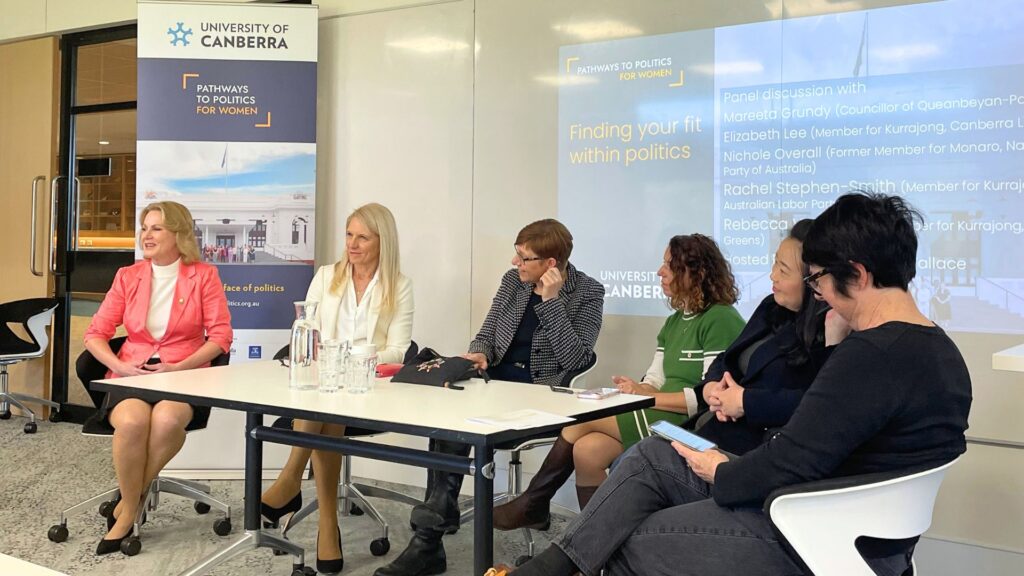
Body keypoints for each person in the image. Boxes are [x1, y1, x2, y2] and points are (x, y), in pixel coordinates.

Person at [492, 192, 972, 576]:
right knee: (655, 458)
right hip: (832, 513)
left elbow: (793, 460)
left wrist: (721, 470)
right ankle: (553, 567)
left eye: (820, 278)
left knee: (630, 539)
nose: (819, 291)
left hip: (812, 527)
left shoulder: (868, 357)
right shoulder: (936, 351)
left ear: (859, 275)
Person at [375, 219, 604, 576]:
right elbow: (486, 332)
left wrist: (551, 302)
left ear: (551, 264)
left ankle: (429, 536)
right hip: (493, 384)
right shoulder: (512, 281)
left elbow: (576, 359)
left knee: (459, 423)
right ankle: (435, 523)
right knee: (446, 413)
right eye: (517, 253)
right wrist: (479, 353)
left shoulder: (588, 292)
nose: (516, 263)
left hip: (540, 396)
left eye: (525, 258)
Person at [493, 233, 746, 531]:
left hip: (689, 426)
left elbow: (707, 398)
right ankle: (597, 545)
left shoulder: (721, 319)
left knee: (579, 421)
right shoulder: (676, 321)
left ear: (696, 272)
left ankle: (534, 502)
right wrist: (636, 389)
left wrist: (648, 398)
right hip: (662, 412)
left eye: (668, 265)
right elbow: (655, 379)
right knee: (587, 451)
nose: (659, 272)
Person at [259, 202, 413, 575]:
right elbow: (308, 329)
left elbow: (399, 349)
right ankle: (328, 525)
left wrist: (345, 356)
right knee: (324, 407)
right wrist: (333, 360)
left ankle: (289, 481)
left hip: (368, 389)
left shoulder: (400, 286)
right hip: (322, 383)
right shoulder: (327, 275)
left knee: (325, 408)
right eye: (349, 234)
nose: (353, 244)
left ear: (383, 241)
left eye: (363, 236)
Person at [83, 201, 233, 556]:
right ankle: (133, 504)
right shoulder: (128, 276)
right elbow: (95, 333)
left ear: (178, 235)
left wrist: (178, 368)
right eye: (144, 228)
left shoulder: (204, 275)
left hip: (183, 377)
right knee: (133, 422)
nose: (146, 235)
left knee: (166, 420)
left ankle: (128, 506)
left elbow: (221, 338)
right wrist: (119, 368)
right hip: (132, 374)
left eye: (156, 229)